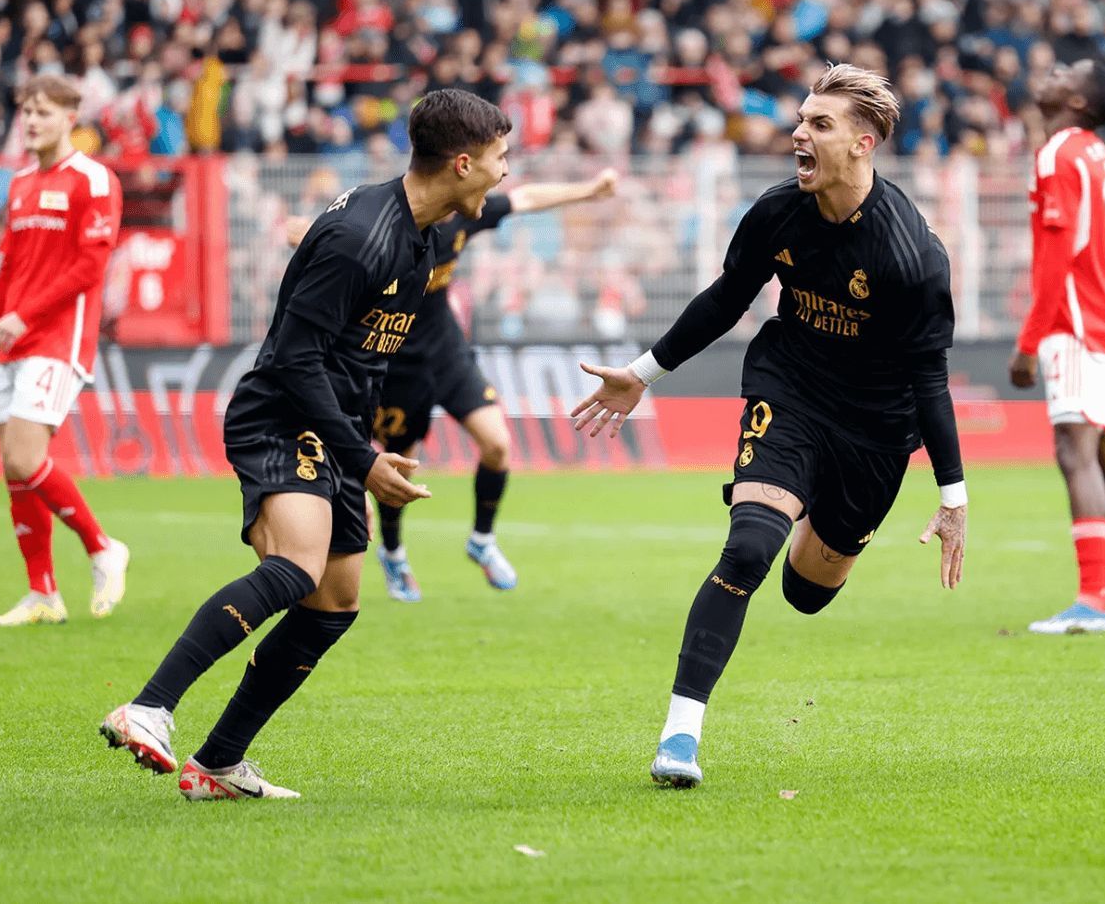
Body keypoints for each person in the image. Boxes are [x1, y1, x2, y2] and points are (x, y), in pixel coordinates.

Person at [99, 89, 512, 801]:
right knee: (297, 564)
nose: (507, 174)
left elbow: (358, 355)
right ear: (465, 162)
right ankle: (148, 707)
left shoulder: (420, 235)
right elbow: (294, 357)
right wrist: (365, 459)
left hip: (337, 427)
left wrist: (366, 442)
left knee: (335, 602)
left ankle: (218, 763)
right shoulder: (364, 237)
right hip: (282, 417)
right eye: (502, 158)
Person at [571, 64, 968, 788]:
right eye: (800, 120)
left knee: (807, 592)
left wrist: (953, 496)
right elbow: (728, 297)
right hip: (792, 389)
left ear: (864, 143)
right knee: (750, 545)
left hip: (877, 427)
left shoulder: (912, 256)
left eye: (820, 124)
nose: (799, 135)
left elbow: (929, 380)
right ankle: (680, 737)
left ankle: (815, 515)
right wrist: (645, 370)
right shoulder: (778, 211)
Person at [370, 168, 619, 601]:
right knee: (399, 472)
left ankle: (481, 541)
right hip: (397, 363)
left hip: (447, 352)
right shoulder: (393, 221)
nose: (488, 192)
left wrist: (588, 189)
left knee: (497, 445)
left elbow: (528, 197)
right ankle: (392, 554)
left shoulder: (467, 213)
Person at [0, 73, 130, 628]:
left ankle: (104, 547)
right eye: (25, 111)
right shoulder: (20, 183)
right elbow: (10, 267)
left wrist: (23, 316)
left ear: (69, 117)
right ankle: (43, 594)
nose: (30, 120)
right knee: (14, 469)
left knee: (24, 458)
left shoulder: (94, 180)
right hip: (11, 338)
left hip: (58, 338)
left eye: (42, 111)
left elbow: (90, 267)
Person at [1009, 60, 1105, 634]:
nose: (1052, 71)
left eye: (1069, 72)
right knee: (1104, 450)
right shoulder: (1092, 150)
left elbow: (1057, 258)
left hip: (1077, 321)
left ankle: (1092, 602)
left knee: (1075, 452)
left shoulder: (1058, 152)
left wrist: (1028, 342)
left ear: (1080, 102)